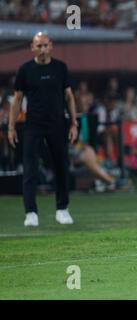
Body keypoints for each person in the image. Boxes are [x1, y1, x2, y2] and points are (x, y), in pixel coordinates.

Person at [8, 32, 78, 227]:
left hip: (57, 124)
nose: (42, 49)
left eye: (45, 45)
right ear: (32, 47)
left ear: (51, 46)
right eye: (38, 45)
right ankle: (30, 212)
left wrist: (74, 123)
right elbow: (17, 100)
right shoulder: (25, 70)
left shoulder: (60, 68)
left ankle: (62, 209)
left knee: (61, 166)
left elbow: (69, 97)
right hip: (33, 125)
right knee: (30, 168)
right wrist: (11, 127)